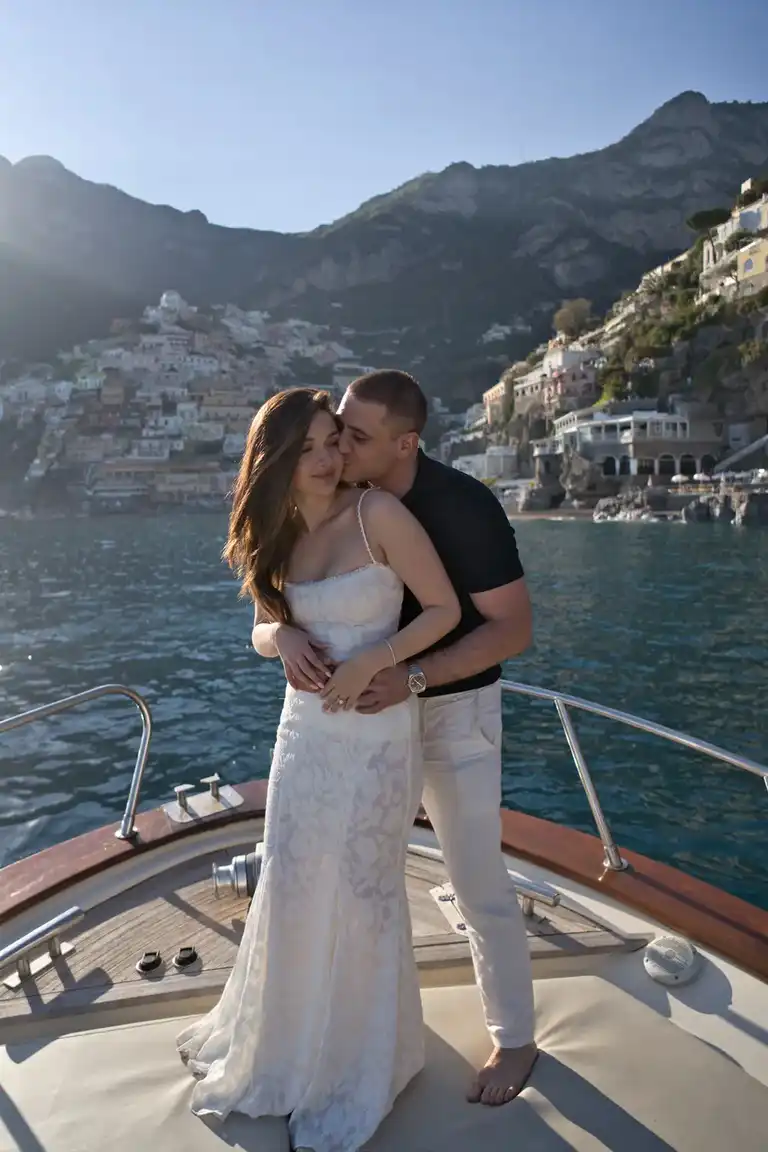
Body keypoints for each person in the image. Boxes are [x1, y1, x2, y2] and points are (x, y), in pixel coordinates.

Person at [176, 388, 460, 1152]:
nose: (330, 459)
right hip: (303, 735)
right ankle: (284, 1050)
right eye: (310, 448)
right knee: (297, 882)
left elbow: (442, 613)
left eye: (335, 440)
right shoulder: (280, 529)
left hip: (375, 731)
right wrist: (283, 640)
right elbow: (262, 626)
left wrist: (377, 655)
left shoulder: (379, 516)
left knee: (363, 892)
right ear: (276, 460)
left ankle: (356, 1066)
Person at [287, 370, 537, 1107]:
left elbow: (514, 628)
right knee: (358, 879)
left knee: (475, 880)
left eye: (355, 436)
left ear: (406, 443)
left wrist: (417, 679)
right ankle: (360, 1029)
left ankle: (516, 1038)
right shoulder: (330, 501)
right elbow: (277, 594)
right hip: (366, 726)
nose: (339, 446)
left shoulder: (463, 506)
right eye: (335, 430)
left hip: (453, 712)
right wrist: (281, 630)